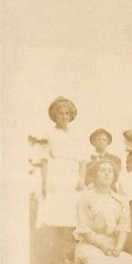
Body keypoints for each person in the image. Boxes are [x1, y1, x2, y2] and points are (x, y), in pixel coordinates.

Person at [69, 160, 132, 264]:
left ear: (114, 176)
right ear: (94, 174)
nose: (106, 173)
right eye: (102, 170)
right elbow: (84, 229)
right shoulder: (85, 197)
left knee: (127, 261)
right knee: (96, 260)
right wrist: (103, 247)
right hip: (90, 244)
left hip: (112, 246)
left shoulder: (121, 200)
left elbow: (124, 227)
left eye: (110, 171)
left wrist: (118, 249)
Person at [35, 96, 86, 228]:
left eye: (67, 113)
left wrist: (81, 179)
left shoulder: (76, 135)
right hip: (56, 174)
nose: (64, 116)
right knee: (56, 211)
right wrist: (44, 182)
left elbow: (82, 161)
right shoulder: (49, 133)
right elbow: (44, 160)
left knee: (73, 211)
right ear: (54, 115)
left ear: (71, 115)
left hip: (72, 175)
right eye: (60, 113)